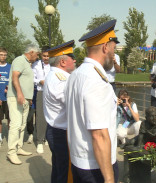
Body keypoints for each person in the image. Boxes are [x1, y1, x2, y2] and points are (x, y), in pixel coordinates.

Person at [65, 20, 119, 183]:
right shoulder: (96, 80)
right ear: (105, 47)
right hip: (96, 166)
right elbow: (99, 135)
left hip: (79, 160)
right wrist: (109, 180)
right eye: (113, 50)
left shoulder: (76, 74)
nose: (114, 55)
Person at [43, 40, 76, 183]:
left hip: (56, 131)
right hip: (60, 133)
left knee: (58, 169)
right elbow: (74, 103)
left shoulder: (56, 76)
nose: (75, 60)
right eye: (72, 57)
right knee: (64, 173)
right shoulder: (60, 80)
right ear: (62, 62)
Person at [6, 44, 40, 165]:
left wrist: (29, 98)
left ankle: (18, 147)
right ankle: (11, 152)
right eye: (37, 54)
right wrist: (20, 93)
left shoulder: (27, 63)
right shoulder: (19, 60)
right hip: (16, 97)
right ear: (31, 52)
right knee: (15, 124)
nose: (37, 57)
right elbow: (15, 77)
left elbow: (25, 81)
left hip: (25, 99)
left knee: (22, 124)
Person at [32, 46, 51, 154]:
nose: (46, 58)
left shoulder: (54, 64)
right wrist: (40, 81)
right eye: (44, 56)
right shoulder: (36, 65)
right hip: (41, 91)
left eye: (48, 56)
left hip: (52, 93)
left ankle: (47, 137)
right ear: (41, 55)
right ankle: (39, 141)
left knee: (51, 115)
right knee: (40, 116)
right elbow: (32, 78)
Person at [0, 47, 10, 147]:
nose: (3, 57)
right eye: (1, 55)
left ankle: (10, 137)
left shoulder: (10, 67)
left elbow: (13, 80)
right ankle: (0, 137)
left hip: (8, 98)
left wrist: (8, 87)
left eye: (4, 55)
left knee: (9, 118)